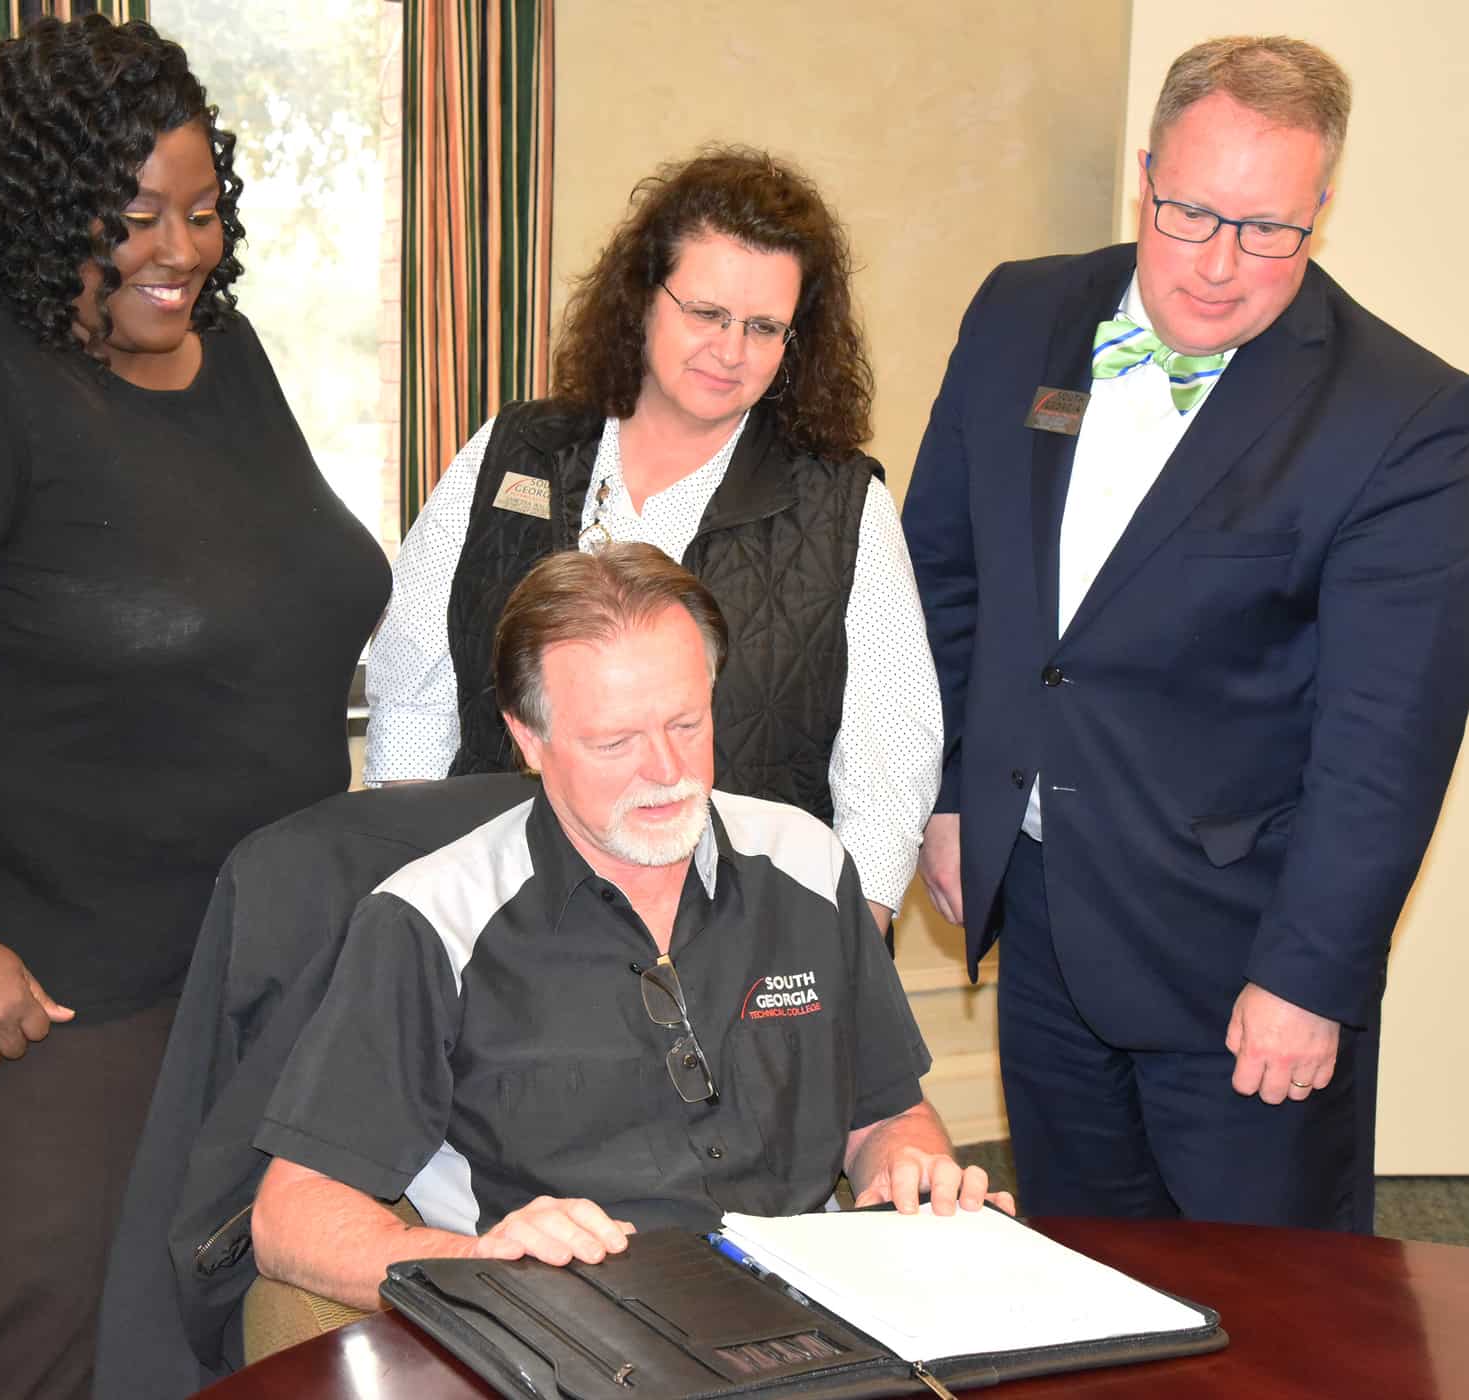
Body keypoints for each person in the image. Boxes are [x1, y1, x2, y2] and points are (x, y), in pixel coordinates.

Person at [0, 17, 389, 1399]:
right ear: (32, 205)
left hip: (230, 958)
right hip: (35, 983)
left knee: (187, 1330)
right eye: (130, 220)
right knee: (35, 1344)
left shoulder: (221, 352)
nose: (178, 252)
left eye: (201, 211)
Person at [901, 35, 1469, 1231]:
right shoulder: (1020, 312)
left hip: (1239, 955)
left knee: (1273, 1323)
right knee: (1079, 1275)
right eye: (1191, 214)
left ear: (1322, 209)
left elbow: (1385, 740)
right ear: (1144, 173)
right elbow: (947, 577)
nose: (1220, 266)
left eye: (1270, 229)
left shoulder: (1405, 417)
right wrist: (954, 789)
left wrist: (1307, 978)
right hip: (1045, 908)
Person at [251, 545, 1008, 1308]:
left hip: (815, 1308)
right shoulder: (432, 920)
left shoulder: (806, 864)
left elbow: (887, 1114)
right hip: (574, 1327)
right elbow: (291, 1219)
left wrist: (908, 1168)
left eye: (686, 722)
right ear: (528, 738)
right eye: (614, 743)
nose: (665, 769)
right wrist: (479, 1258)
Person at [363, 147, 941, 936]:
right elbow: (415, 686)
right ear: (642, 297)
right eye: (705, 313)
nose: (731, 351)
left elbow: (888, 766)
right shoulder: (514, 452)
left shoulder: (844, 508)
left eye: (764, 327)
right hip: (496, 922)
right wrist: (421, 900)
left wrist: (838, 960)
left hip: (732, 941)